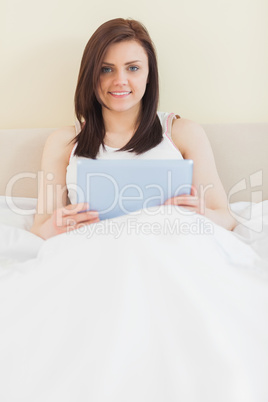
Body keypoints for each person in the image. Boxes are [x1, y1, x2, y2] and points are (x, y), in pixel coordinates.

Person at [30, 18, 236, 240]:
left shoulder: (183, 133)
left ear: (149, 76)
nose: (120, 80)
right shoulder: (63, 141)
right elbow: (40, 228)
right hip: (95, 250)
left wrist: (201, 214)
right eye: (106, 69)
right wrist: (55, 226)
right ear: (91, 75)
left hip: (170, 249)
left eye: (133, 68)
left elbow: (226, 218)